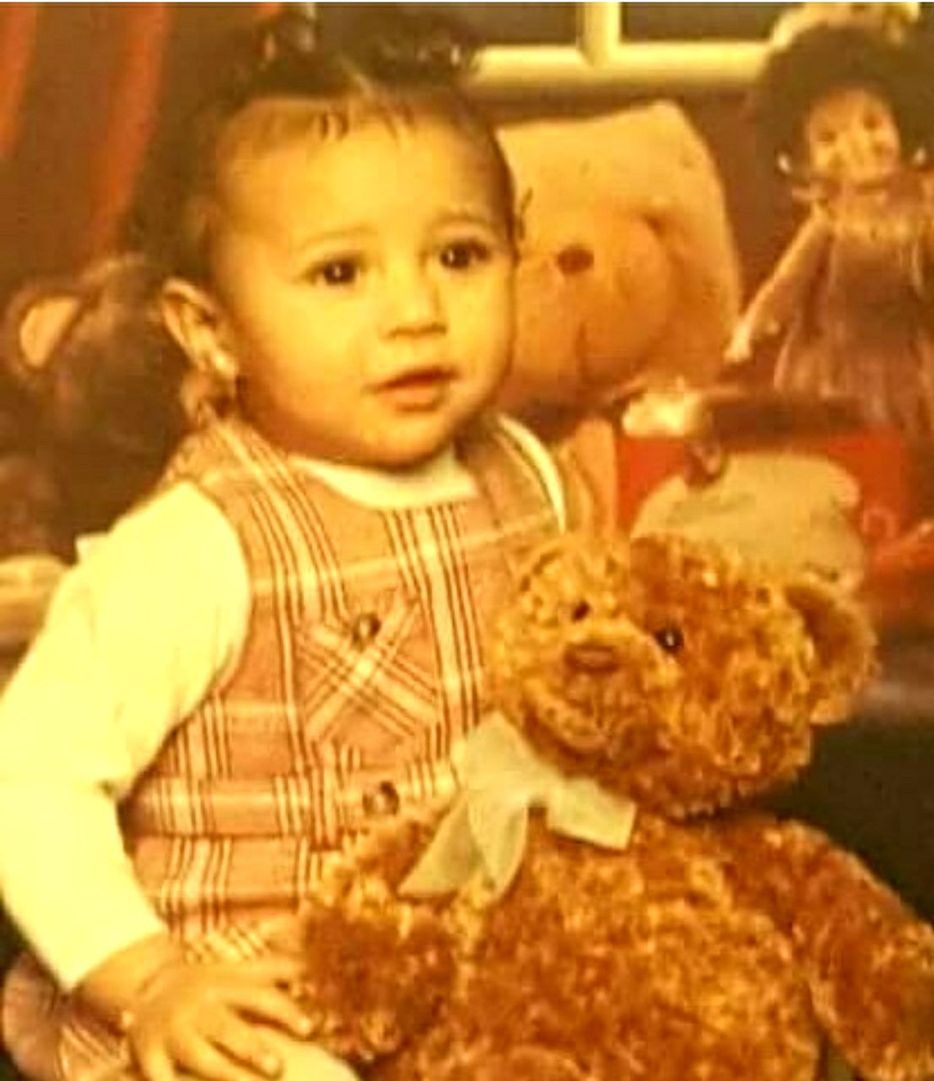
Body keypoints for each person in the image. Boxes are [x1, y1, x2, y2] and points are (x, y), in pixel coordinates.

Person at [0, 10, 570, 1081]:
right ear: (211, 330)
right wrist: (150, 977)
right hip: (258, 998)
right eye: (340, 274)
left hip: (471, 974)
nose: (416, 311)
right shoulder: (198, 544)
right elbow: (26, 773)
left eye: (458, 255)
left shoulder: (527, 479)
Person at [727, 2, 934, 479]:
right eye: (828, 137)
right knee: (834, 463)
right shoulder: (826, 221)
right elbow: (789, 281)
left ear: (906, 129)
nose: (857, 146)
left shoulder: (918, 216)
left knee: (917, 467)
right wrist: (752, 326)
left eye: (872, 123)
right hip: (833, 369)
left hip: (910, 368)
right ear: (802, 158)